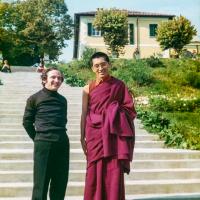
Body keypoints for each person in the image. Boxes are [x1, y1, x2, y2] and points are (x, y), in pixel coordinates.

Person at [80, 52, 136, 200]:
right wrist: (81, 137)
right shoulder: (87, 89)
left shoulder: (119, 85)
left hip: (113, 134)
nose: (100, 68)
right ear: (92, 68)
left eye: (103, 64)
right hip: (94, 135)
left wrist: (113, 112)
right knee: (94, 171)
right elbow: (84, 113)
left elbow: (129, 109)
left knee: (113, 171)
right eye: (96, 66)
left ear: (109, 65)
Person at [23, 67, 69, 200]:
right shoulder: (34, 98)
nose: (57, 80)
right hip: (43, 143)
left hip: (62, 142)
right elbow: (27, 122)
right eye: (53, 77)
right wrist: (38, 138)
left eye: (59, 78)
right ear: (44, 79)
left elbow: (63, 120)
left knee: (60, 182)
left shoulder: (63, 100)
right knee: (41, 183)